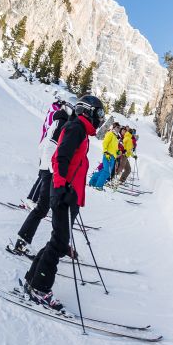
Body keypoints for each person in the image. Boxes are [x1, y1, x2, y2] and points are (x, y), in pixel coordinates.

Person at [23, 95, 104, 311]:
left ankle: (33, 279)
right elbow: (59, 158)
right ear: (88, 111)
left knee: (57, 241)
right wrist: (60, 188)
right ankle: (39, 288)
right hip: (63, 194)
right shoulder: (76, 128)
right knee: (59, 243)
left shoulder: (81, 131)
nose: (101, 118)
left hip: (69, 195)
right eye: (100, 113)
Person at [9, 98, 72, 255]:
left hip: (48, 169)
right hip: (50, 171)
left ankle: (24, 241)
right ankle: (23, 242)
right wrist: (51, 168)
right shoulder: (61, 122)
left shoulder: (59, 121)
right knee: (43, 208)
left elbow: (43, 145)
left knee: (43, 208)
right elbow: (49, 146)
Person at [88, 122, 120, 188]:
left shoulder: (115, 136)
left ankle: (92, 182)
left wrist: (117, 152)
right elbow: (105, 143)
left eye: (119, 128)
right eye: (117, 127)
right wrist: (105, 152)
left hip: (113, 156)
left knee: (105, 171)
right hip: (108, 155)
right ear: (114, 127)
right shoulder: (110, 133)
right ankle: (99, 186)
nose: (118, 129)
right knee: (106, 171)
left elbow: (114, 147)